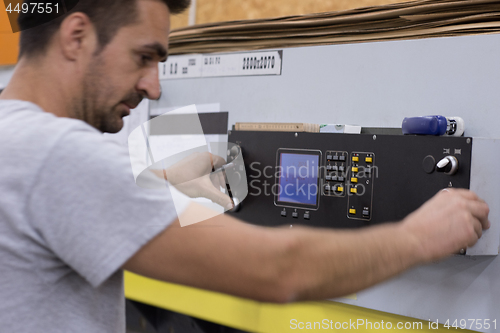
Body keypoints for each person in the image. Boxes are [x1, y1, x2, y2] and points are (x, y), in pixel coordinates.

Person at [0, 0, 490, 332]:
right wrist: (418, 236)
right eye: (143, 57)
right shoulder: (57, 154)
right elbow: (281, 270)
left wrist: (156, 186)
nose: (153, 87)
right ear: (76, 36)